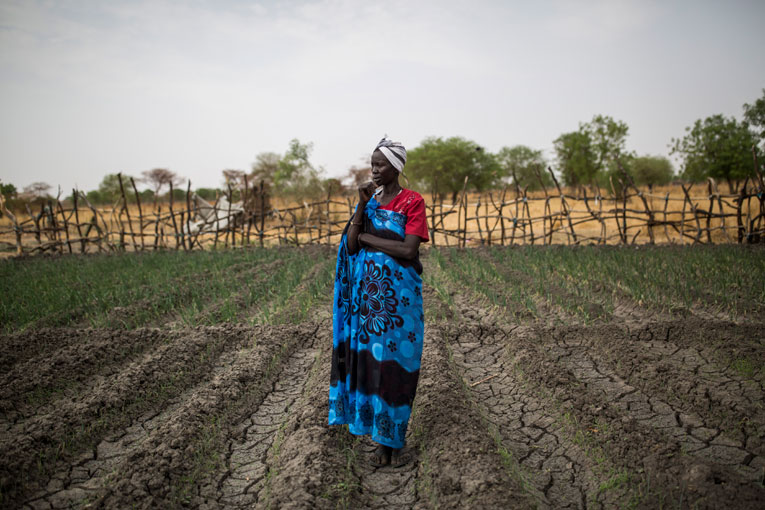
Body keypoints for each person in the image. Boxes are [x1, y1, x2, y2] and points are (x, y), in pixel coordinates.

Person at [328, 137, 429, 467]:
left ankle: (394, 442)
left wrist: (371, 239)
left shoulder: (412, 202)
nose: (374, 169)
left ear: (396, 167)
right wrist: (360, 206)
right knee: (372, 368)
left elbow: (408, 250)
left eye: (380, 164)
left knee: (396, 370)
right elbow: (352, 247)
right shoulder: (369, 203)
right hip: (367, 307)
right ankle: (379, 438)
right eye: (372, 164)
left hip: (398, 306)